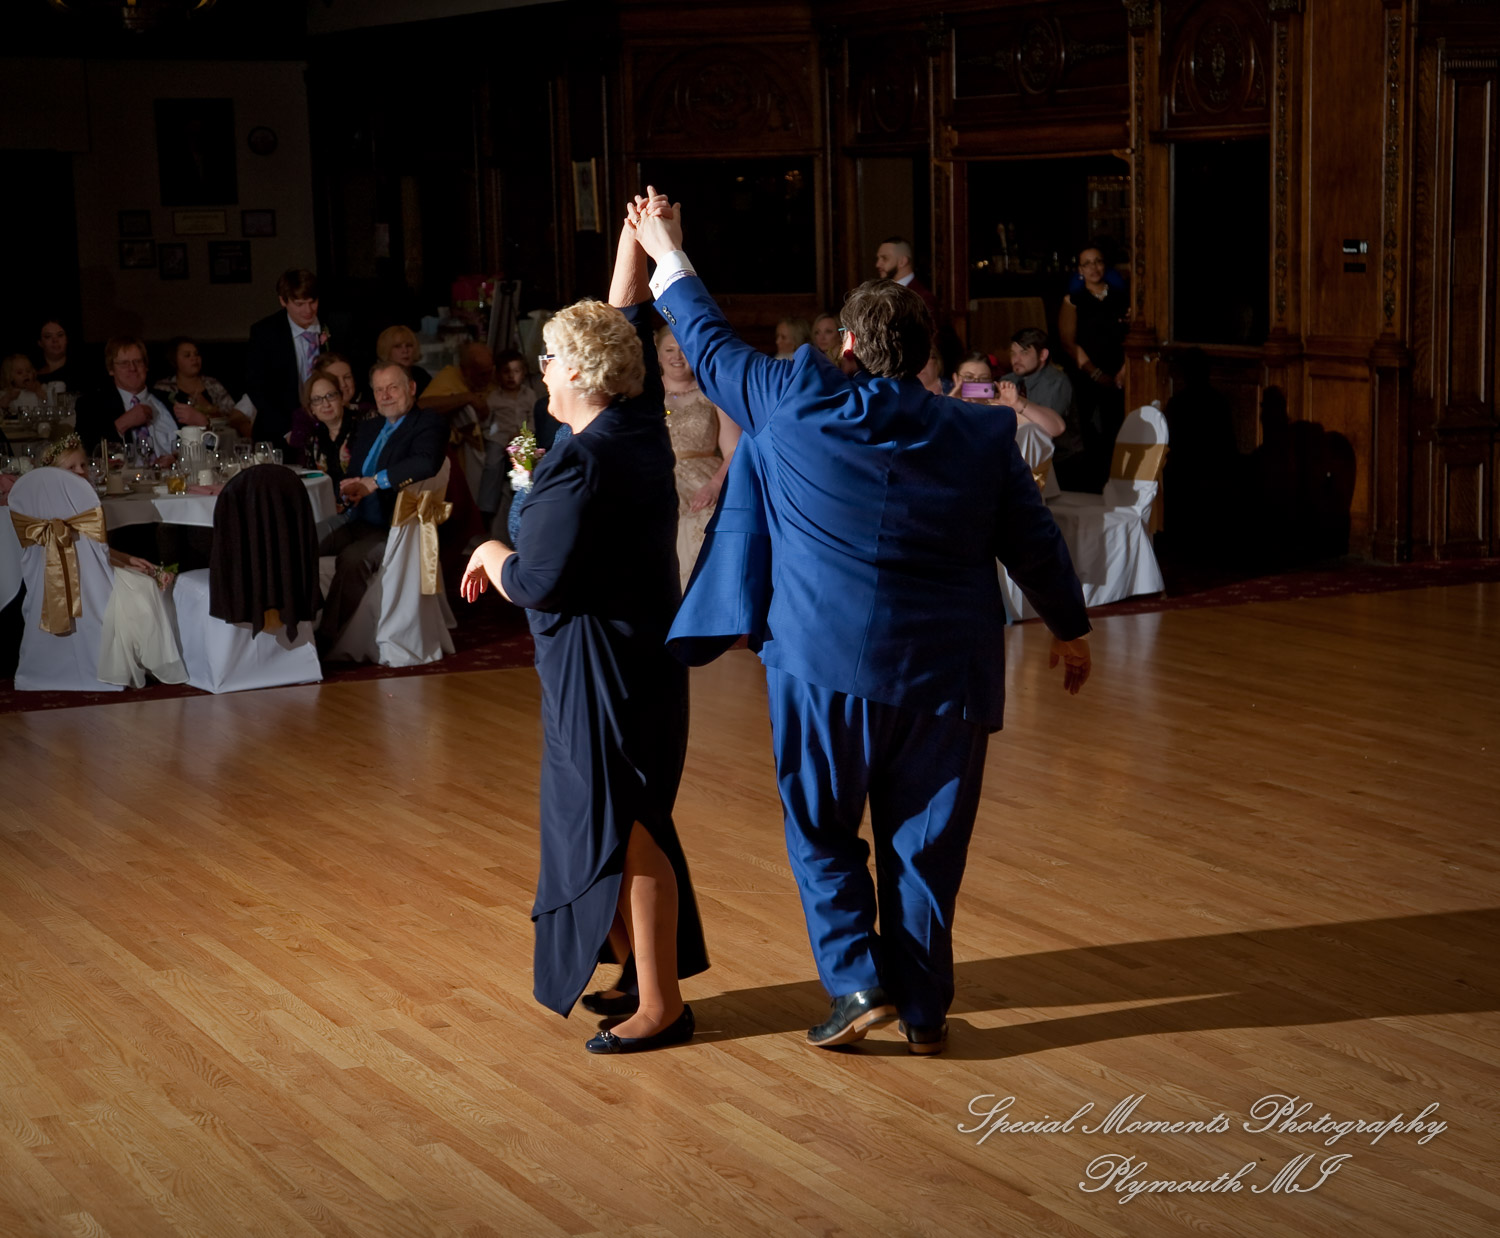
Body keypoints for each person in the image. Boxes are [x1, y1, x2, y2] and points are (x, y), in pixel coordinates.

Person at [636, 188, 1090, 1056]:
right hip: (946, 676)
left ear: (844, 347)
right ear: (926, 354)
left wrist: (665, 245)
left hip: (822, 664)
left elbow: (705, 339)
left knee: (819, 824)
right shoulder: (980, 436)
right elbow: (1031, 540)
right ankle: (922, 1010)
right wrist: (1069, 629)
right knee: (926, 846)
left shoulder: (793, 398)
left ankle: (855, 983)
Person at [459, 199, 709, 1054]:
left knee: (621, 825)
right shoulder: (633, 425)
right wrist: (635, 245)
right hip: (643, 662)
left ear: (584, 378)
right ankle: (643, 972)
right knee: (621, 818)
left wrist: (490, 548)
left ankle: (662, 1004)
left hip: (601, 676)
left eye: (555, 357)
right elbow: (623, 325)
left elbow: (534, 582)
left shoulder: (582, 468)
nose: (542, 366)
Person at [317, 361, 447, 650]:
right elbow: (354, 474)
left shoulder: (427, 422)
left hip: (393, 526)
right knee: (303, 539)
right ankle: (297, 620)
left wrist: (375, 482)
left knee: (351, 560)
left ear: (411, 388)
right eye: (378, 390)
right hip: (355, 517)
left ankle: (327, 639)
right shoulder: (371, 425)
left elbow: (426, 462)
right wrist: (350, 489)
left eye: (392, 387)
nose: (385, 395)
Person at [657, 326, 740, 588]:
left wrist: (715, 485)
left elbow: (734, 450)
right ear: (658, 354)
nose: (677, 356)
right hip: (657, 475)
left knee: (703, 521)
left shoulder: (711, 393)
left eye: (683, 349)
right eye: (669, 349)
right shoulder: (644, 394)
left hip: (704, 477)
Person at [1058, 246, 1130, 490]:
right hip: (1086, 374)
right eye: (1087, 264)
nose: (1093, 268)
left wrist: (1123, 371)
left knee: (1116, 428)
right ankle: (1091, 484)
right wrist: (1095, 373)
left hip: (1119, 374)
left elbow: (1131, 337)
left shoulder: (1121, 297)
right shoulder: (1073, 300)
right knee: (1088, 430)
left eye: (1097, 262)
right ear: (1080, 270)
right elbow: (1068, 342)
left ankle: (1118, 483)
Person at [245, 268, 328, 448]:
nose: (308, 310)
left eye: (312, 302)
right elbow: (256, 387)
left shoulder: (335, 325)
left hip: (328, 426)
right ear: (283, 301)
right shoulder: (265, 332)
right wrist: (288, 430)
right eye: (299, 304)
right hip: (278, 431)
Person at [75, 337, 181, 460]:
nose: (132, 368)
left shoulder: (170, 400)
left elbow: (197, 446)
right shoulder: (90, 405)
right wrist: (122, 424)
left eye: (138, 361)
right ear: (111, 369)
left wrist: (175, 458)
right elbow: (87, 450)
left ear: (146, 366)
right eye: (124, 364)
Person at [477, 350, 537, 534]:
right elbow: (486, 425)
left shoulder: (529, 395)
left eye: (517, 371)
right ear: (498, 374)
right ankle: (487, 507)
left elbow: (533, 421)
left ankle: (524, 503)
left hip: (522, 438)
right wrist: (494, 438)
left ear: (524, 372)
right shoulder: (494, 397)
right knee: (492, 464)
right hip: (499, 438)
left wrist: (525, 436)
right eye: (506, 371)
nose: (512, 376)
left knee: (525, 469)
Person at [152, 337, 253, 437]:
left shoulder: (213, 384)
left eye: (196, 354)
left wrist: (209, 409)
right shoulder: (163, 387)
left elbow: (232, 416)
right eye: (187, 355)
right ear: (174, 360)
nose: (194, 358)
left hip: (213, 437)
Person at [295, 368, 365, 490]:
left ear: (341, 398)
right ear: (311, 408)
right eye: (317, 399)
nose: (326, 404)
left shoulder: (362, 429)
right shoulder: (313, 440)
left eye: (330, 396)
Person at [874, 235, 938, 319]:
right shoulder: (880, 293)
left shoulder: (923, 298)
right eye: (878, 259)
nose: (877, 264)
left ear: (902, 261)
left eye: (884, 258)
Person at [375, 324, 433, 395]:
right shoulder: (378, 377)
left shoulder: (421, 375)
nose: (405, 350)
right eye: (397, 346)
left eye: (409, 345)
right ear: (386, 350)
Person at [35, 320, 77, 392]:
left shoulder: (81, 369)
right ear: (40, 343)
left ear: (66, 339)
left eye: (60, 335)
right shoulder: (30, 373)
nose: (55, 340)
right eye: (48, 336)